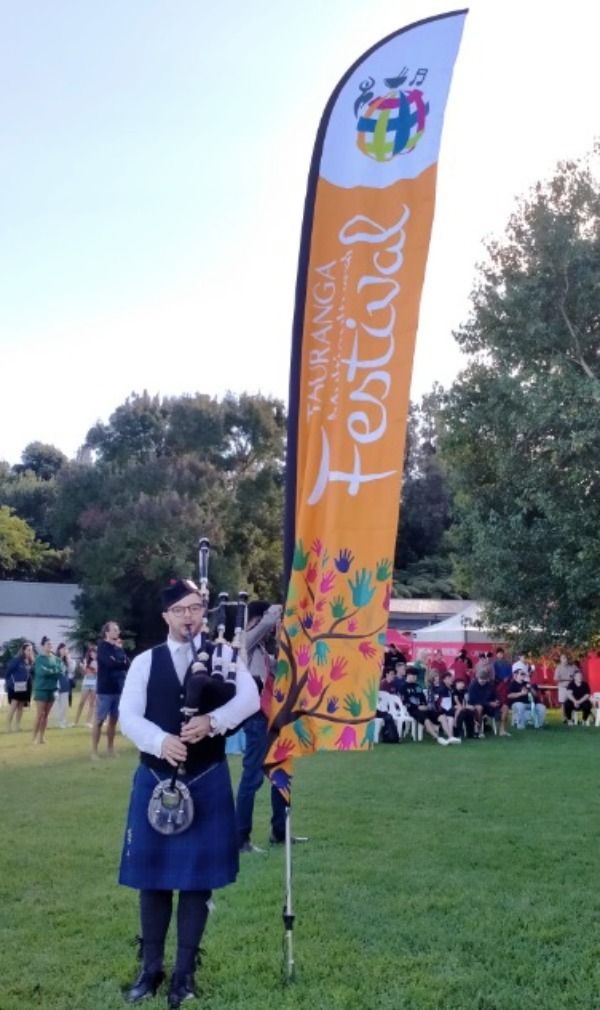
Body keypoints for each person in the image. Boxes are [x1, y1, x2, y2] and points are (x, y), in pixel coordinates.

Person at [118, 578, 259, 1007]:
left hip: (206, 775)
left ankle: (185, 975)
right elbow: (128, 716)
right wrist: (161, 741)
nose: (189, 616)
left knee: (197, 884)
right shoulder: (146, 661)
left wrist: (212, 722)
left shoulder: (223, 656)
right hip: (158, 778)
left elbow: (250, 698)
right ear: (166, 616)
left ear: (204, 612)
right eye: (180, 609)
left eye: (196, 608)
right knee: (153, 881)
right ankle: (150, 970)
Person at [235, 600, 296, 852]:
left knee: (280, 771)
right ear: (258, 619)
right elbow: (265, 625)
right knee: (251, 779)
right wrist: (276, 611)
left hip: (270, 717)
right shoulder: (243, 642)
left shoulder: (260, 649)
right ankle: (240, 839)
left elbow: (279, 664)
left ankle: (280, 831)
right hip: (256, 719)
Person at [92, 621, 129, 759]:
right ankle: (94, 751)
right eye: (114, 630)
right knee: (99, 720)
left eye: (118, 630)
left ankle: (110, 748)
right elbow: (110, 663)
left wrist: (119, 657)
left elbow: (127, 663)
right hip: (105, 690)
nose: (117, 632)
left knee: (113, 720)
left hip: (118, 689)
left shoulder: (118, 648)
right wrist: (119, 662)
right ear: (107, 632)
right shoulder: (102, 647)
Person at [398, 667, 457, 745]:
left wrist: (425, 705)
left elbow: (423, 699)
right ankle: (438, 738)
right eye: (414, 676)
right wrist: (417, 707)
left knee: (441, 716)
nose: (416, 678)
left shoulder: (418, 686)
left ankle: (450, 737)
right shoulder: (403, 687)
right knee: (426, 720)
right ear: (408, 675)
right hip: (412, 710)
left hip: (424, 708)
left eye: (416, 676)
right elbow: (404, 702)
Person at [32, 637, 62, 744]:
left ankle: (42, 737)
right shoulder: (39, 659)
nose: (50, 646)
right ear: (43, 646)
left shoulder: (56, 659)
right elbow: (41, 672)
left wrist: (51, 671)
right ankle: (34, 737)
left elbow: (61, 671)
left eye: (51, 644)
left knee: (46, 715)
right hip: (41, 689)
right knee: (40, 714)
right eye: (48, 644)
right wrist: (53, 671)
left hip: (52, 689)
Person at [467, 669, 510, 737]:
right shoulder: (472, 686)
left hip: (490, 706)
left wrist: (497, 701)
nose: (482, 681)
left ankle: (502, 730)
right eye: (481, 679)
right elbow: (473, 700)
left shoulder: (490, 685)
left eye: (484, 679)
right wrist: (489, 703)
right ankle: (480, 730)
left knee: (505, 707)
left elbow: (496, 695)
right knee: (479, 707)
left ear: (487, 679)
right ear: (477, 678)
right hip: (478, 706)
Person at [5, 641, 34, 731]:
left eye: (31, 650)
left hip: (24, 687)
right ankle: (8, 726)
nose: (30, 652)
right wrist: (9, 683)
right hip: (14, 687)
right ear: (23, 650)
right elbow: (8, 672)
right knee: (13, 706)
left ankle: (17, 725)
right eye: (28, 650)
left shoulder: (30, 661)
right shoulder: (17, 660)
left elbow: (30, 674)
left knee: (21, 707)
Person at [74, 645, 97, 726]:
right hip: (86, 683)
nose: (92, 654)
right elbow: (84, 673)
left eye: (94, 653)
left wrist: (90, 669)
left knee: (92, 703)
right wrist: (82, 668)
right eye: (91, 653)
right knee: (81, 702)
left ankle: (88, 721)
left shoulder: (99, 661)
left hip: (95, 684)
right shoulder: (86, 661)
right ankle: (76, 721)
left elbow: (97, 672)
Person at [53, 643, 72, 728]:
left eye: (65, 649)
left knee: (64, 705)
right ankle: (57, 722)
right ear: (59, 650)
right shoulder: (55, 659)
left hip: (65, 684)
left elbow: (71, 670)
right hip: (56, 684)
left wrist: (68, 659)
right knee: (56, 704)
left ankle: (62, 722)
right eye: (63, 649)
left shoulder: (66, 660)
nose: (64, 651)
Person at [554, 653, 575, 719]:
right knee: (563, 703)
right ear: (561, 660)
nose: (565, 660)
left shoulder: (571, 667)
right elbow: (555, 678)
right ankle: (563, 718)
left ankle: (571, 717)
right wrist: (566, 679)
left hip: (571, 688)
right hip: (562, 687)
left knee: (571, 702)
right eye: (563, 658)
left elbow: (574, 676)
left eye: (565, 658)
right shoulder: (558, 668)